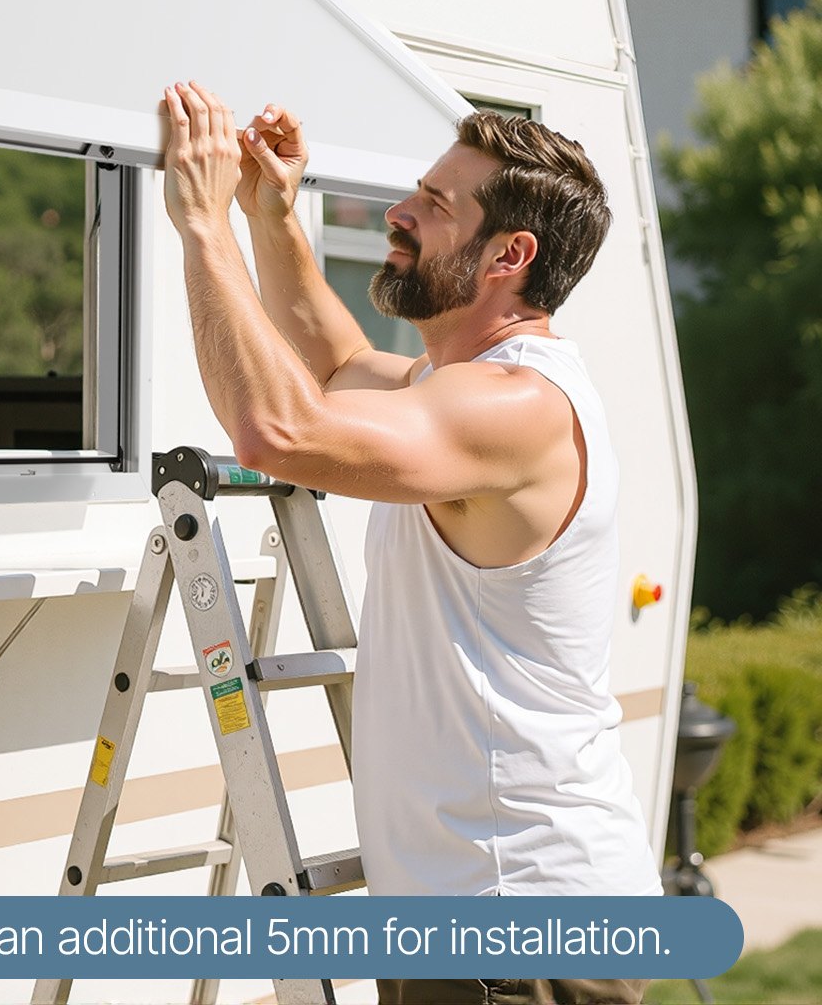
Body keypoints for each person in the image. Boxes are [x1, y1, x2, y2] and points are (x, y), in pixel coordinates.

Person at [160, 79, 661, 1005]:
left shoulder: (513, 407)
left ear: (510, 253)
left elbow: (281, 431)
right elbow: (337, 368)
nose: (400, 214)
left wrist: (202, 227)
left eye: (435, 206)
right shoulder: (462, 391)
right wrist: (271, 219)